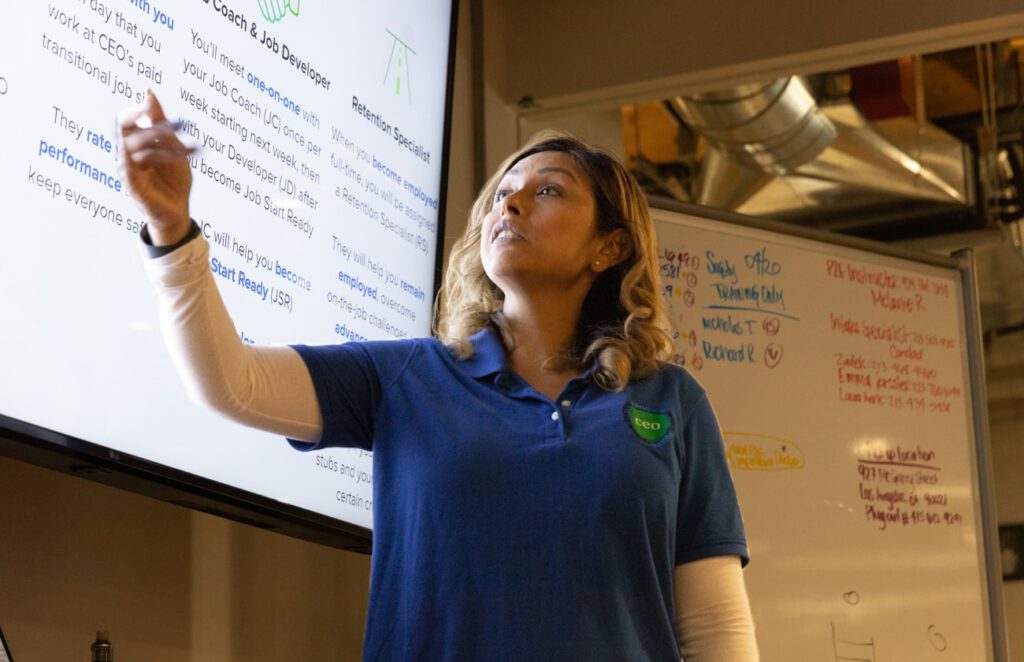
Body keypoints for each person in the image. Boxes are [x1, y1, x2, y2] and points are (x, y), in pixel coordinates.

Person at [118, 91, 759, 661]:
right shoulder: (409, 377)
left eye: (547, 190)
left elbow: (715, 628)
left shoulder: (672, 400)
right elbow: (233, 383)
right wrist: (171, 230)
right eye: (503, 191)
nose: (509, 201)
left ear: (609, 248)